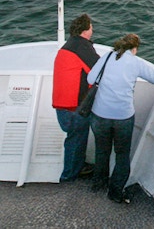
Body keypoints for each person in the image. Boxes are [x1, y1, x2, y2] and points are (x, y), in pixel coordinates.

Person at [88, 33, 154, 203]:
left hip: (99, 115)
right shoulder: (135, 63)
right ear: (135, 48)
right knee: (122, 155)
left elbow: (90, 78)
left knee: (102, 151)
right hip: (122, 117)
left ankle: (98, 183)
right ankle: (115, 192)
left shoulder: (107, 57)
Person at [52, 13, 100, 182]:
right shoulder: (82, 47)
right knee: (76, 139)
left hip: (61, 105)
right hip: (74, 107)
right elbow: (99, 69)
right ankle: (69, 176)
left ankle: (77, 166)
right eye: (91, 27)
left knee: (75, 137)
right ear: (86, 30)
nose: (92, 30)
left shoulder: (68, 46)